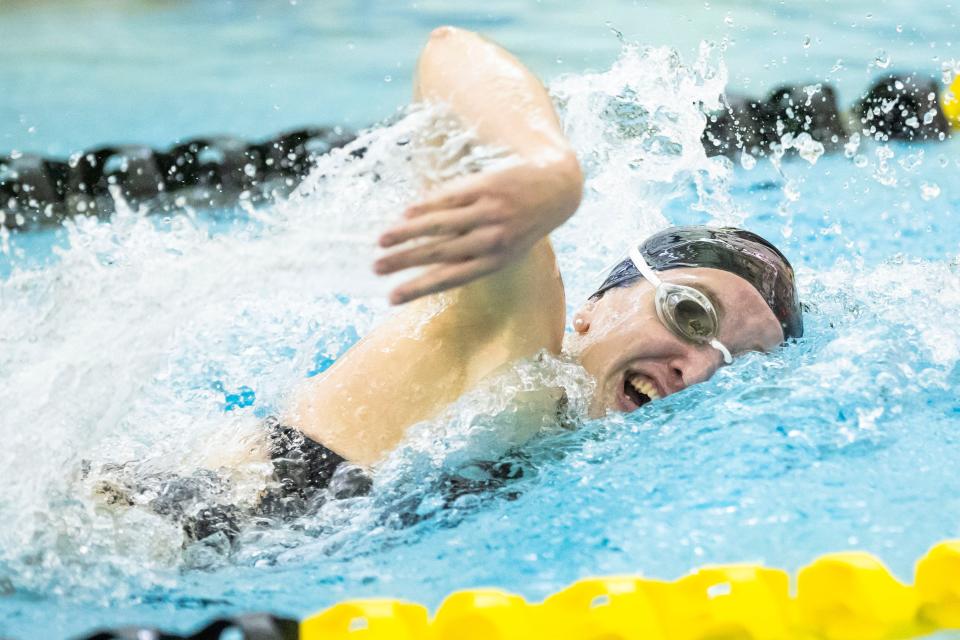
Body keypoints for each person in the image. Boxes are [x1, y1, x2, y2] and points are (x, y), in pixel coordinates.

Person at [94, 27, 802, 541]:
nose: (701, 365)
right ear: (594, 308)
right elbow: (449, 54)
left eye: (738, 366)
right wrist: (546, 170)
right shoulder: (515, 336)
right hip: (134, 521)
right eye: (690, 314)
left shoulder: (577, 456)